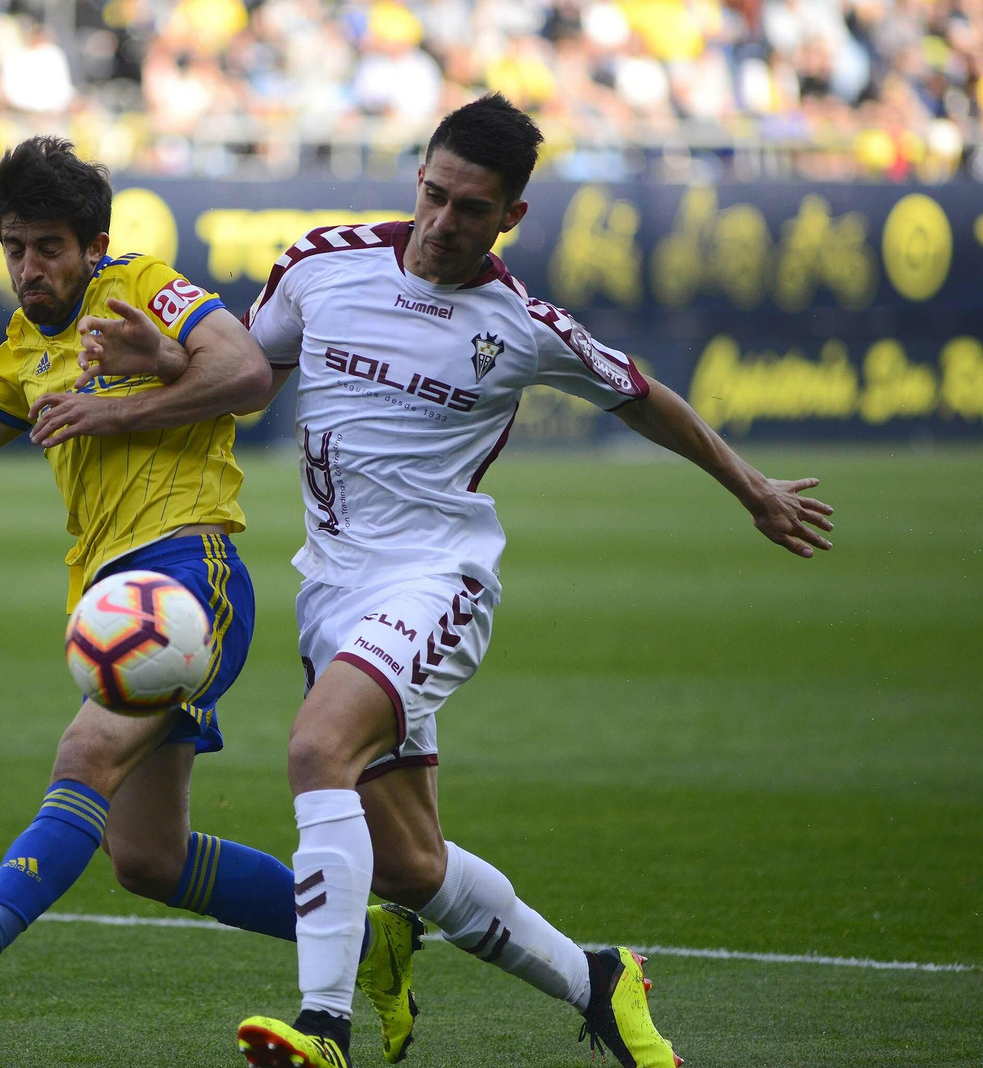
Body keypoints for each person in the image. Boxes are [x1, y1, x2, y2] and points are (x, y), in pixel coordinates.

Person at [75, 94, 835, 1068]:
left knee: (315, 752)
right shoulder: (322, 261)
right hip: (334, 596)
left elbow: (643, 398)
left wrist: (750, 487)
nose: (441, 223)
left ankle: (321, 1029)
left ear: (508, 218)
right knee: (408, 864)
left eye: (468, 210)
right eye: (432, 195)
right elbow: (256, 374)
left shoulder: (519, 324)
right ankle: (597, 981)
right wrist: (165, 358)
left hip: (439, 584)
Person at [0, 135, 427, 1062]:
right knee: (148, 857)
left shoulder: (144, 286)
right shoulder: (27, 346)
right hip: (119, 595)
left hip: (190, 571)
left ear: (93, 243)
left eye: (50, 248)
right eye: (17, 248)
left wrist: (112, 406)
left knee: (85, 749)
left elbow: (248, 376)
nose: (31, 268)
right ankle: (366, 939)